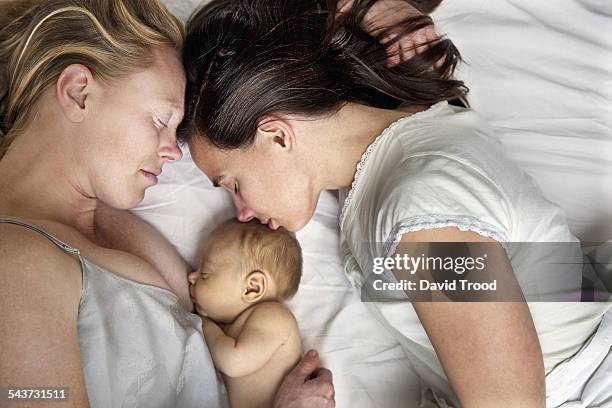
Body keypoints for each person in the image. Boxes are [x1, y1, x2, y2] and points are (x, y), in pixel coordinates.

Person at [180, 0, 612, 406]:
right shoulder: (400, 135)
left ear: (277, 135)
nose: (242, 213)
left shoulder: (422, 214)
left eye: (233, 183)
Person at [0, 0, 333, 406]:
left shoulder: (101, 227)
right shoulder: (13, 266)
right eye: (160, 121)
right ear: (78, 92)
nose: (174, 154)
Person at [189, 219, 302, 408]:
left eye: (205, 273)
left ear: (252, 288)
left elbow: (234, 361)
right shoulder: (236, 325)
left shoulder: (275, 318)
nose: (191, 277)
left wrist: (203, 325)